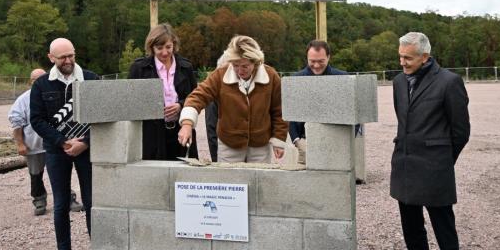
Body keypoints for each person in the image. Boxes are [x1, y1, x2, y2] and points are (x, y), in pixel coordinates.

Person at [390, 32, 470, 250]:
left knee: (444, 230)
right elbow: (403, 122)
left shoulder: (449, 82)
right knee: (412, 230)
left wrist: (443, 160)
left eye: (408, 58)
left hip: (435, 170)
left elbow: (461, 131)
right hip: (404, 167)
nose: (402, 63)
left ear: (425, 57)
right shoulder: (398, 82)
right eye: (400, 57)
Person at [30, 38, 98, 250]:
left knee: (91, 202)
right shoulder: (41, 85)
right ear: (51, 58)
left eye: (71, 55)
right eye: (62, 57)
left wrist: (85, 142)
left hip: (87, 149)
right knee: (60, 204)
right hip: (56, 151)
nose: (68, 60)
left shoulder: (91, 79)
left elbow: (104, 116)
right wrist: (62, 142)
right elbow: (37, 120)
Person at [178, 35, 287, 163]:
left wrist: (279, 139)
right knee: (229, 182)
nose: (239, 71)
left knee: (259, 181)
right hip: (228, 145)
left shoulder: (272, 77)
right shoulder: (219, 75)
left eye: (245, 66)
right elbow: (197, 96)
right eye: (235, 65)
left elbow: (280, 110)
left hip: (261, 146)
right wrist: (187, 123)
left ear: (256, 62)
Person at [9, 68, 83, 216]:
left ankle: (69, 199)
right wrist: (20, 144)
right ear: (31, 81)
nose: (40, 81)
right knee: (36, 175)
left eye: (43, 77)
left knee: (61, 174)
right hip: (34, 146)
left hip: (55, 144)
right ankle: (39, 201)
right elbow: (16, 123)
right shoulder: (23, 100)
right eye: (36, 79)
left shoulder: (55, 94)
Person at [128, 23, 198, 160]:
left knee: (183, 174)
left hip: (181, 130)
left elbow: (195, 97)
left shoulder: (186, 67)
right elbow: (130, 101)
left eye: (168, 47)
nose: (165, 52)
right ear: (151, 47)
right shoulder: (139, 68)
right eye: (159, 48)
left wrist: (181, 105)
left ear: (174, 44)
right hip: (152, 134)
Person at [289, 40, 347, 164]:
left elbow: (353, 110)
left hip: (337, 144)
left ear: (328, 57)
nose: (316, 65)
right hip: (304, 144)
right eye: (312, 61)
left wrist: (347, 139)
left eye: (321, 61)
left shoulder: (343, 78)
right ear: (307, 58)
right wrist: (297, 141)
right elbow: (290, 113)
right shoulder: (295, 80)